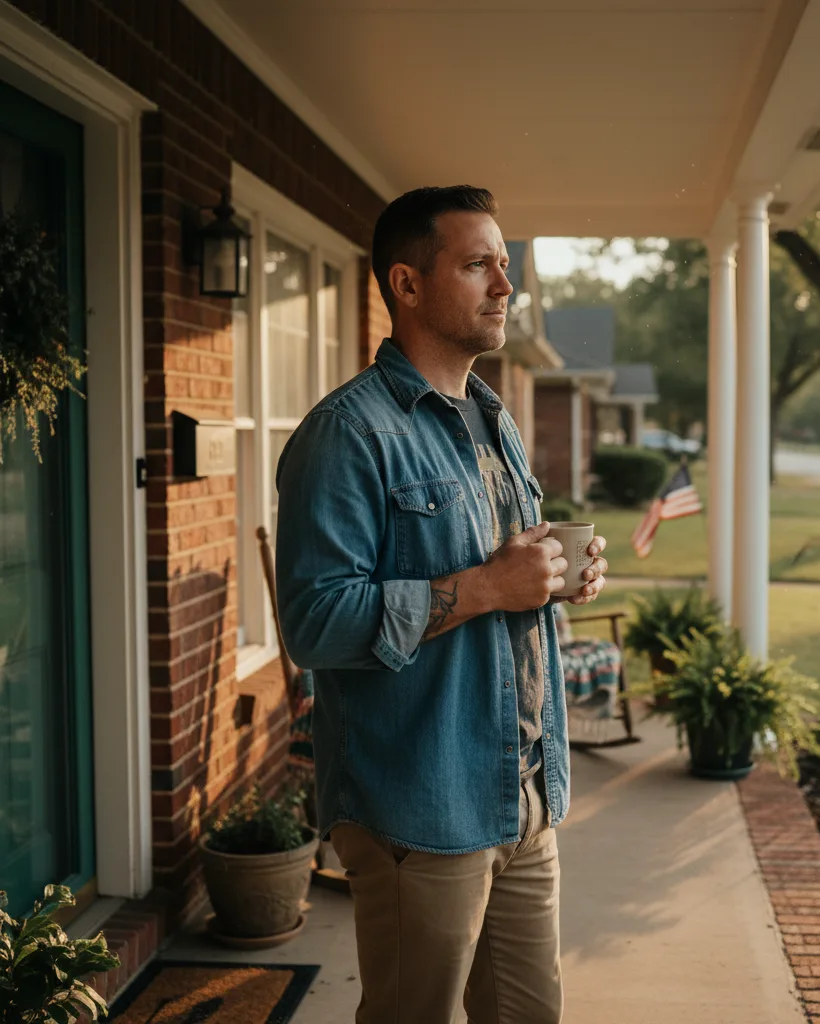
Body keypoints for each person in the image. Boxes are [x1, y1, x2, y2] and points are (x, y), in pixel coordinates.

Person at [274, 185, 609, 1024]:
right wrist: (488, 586)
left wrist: (555, 576)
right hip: (419, 805)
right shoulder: (347, 435)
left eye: (505, 265)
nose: (505, 285)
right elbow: (314, 623)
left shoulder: (494, 421)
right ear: (408, 284)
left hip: (522, 791)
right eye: (477, 265)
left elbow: (505, 575)